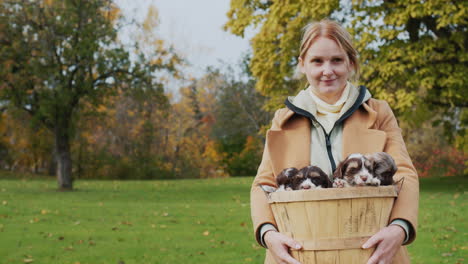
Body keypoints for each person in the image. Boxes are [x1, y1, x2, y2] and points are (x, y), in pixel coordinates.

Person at [251, 19, 419, 264]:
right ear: (302, 65)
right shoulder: (283, 119)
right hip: (298, 254)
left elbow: (405, 174)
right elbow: (263, 184)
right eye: (317, 61)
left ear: (351, 63)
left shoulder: (379, 112)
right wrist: (268, 234)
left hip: (373, 252)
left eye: (337, 60)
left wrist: (399, 227)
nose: (327, 70)